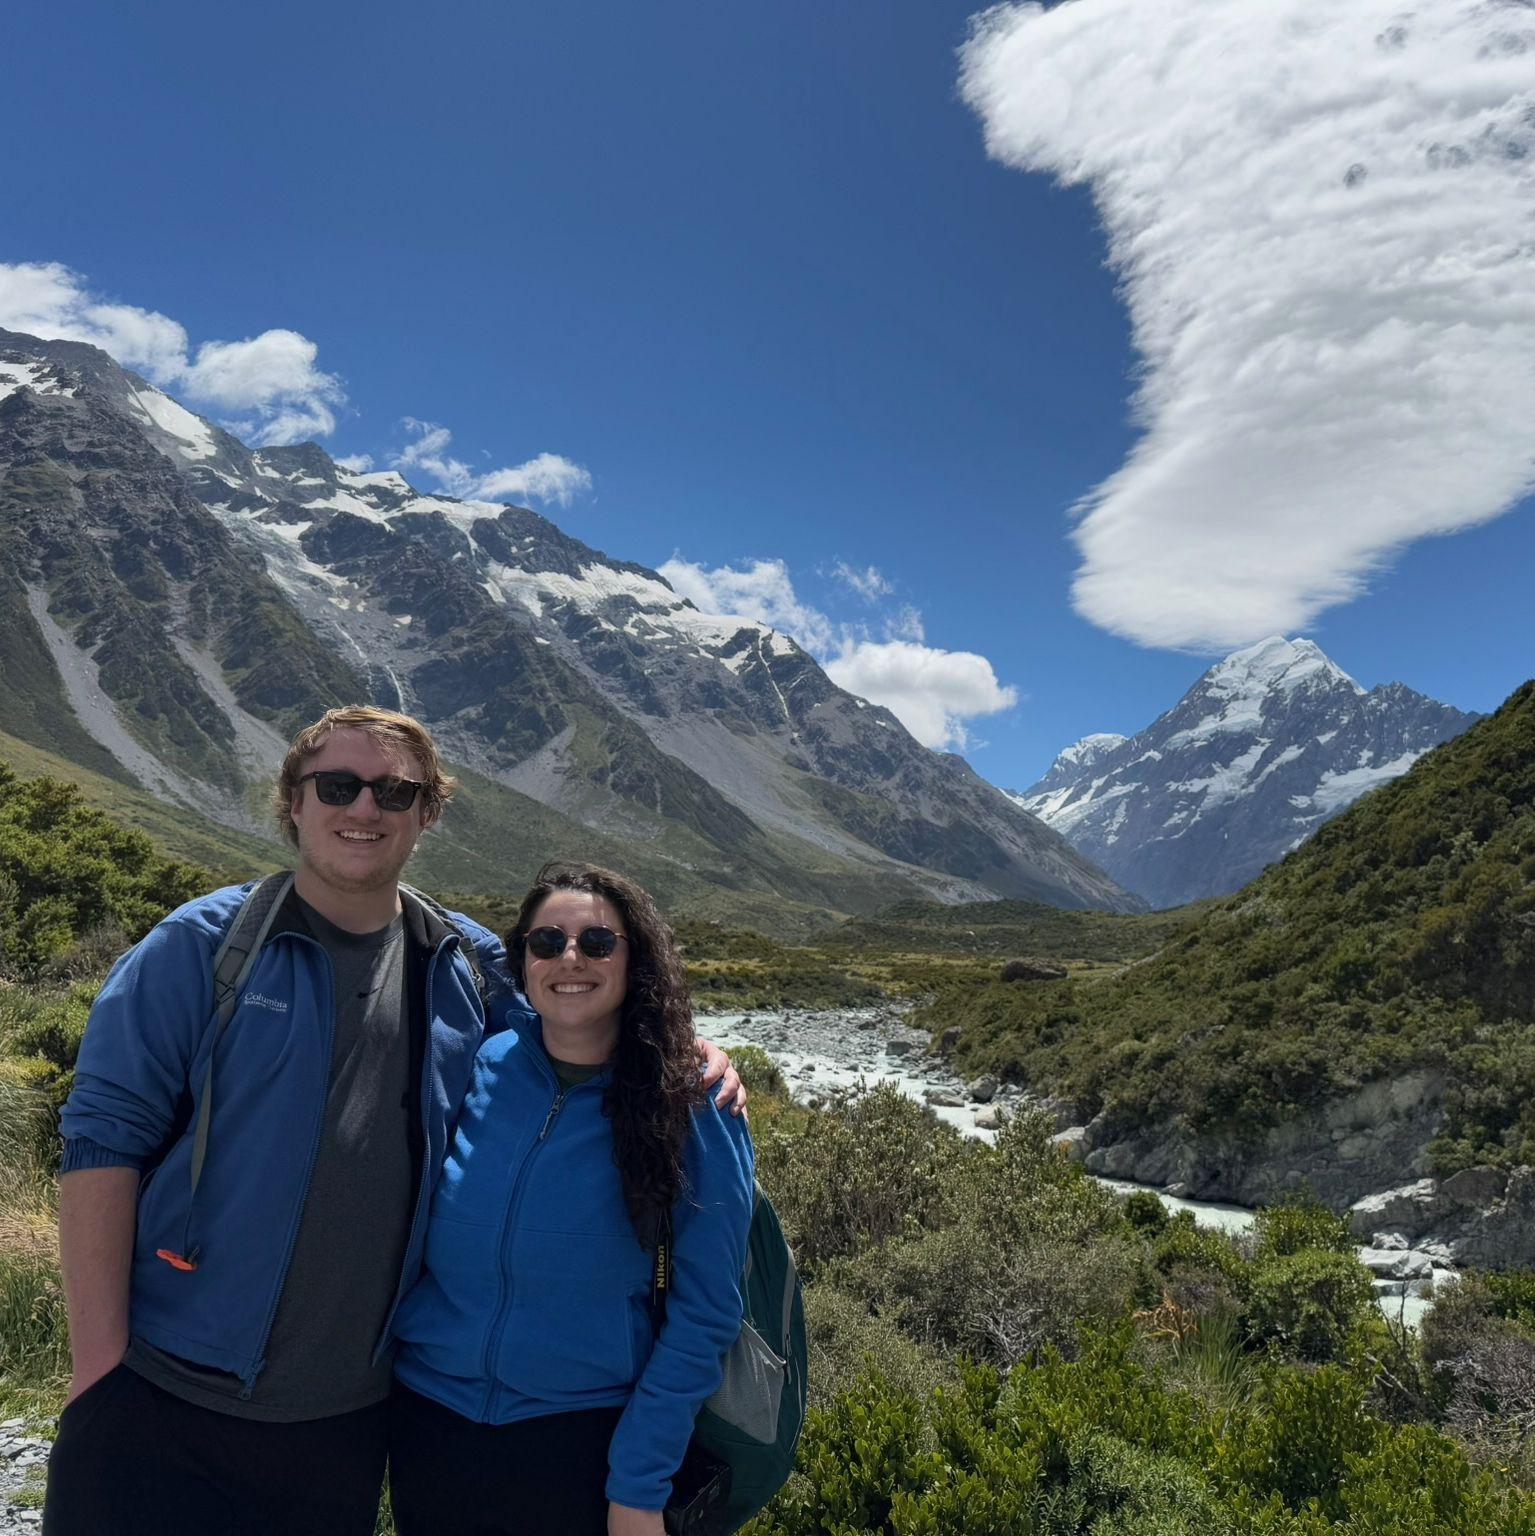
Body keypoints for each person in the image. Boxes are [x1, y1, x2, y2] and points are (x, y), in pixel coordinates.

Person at [45, 706, 743, 1536]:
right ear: (293, 802)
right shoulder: (204, 946)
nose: (364, 809)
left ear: (427, 812)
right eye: (337, 785)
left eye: (394, 791)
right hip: (162, 1390)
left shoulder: (465, 964)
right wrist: (99, 1373)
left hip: (348, 1424)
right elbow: (101, 1140)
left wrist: (687, 1051)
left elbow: (578, 1013)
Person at [387, 860, 755, 1536]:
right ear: (523, 959)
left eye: (597, 942)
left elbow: (705, 1313)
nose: (570, 959)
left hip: (583, 1447)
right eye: (547, 942)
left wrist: (639, 1487)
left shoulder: (693, 1102)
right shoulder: (481, 1062)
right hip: (429, 1432)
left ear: (634, 958)